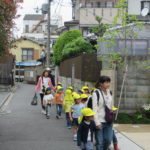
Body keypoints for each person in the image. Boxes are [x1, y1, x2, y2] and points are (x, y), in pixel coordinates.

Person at [92, 76, 113, 150]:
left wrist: (113, 111)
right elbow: (94, 109)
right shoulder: (96, 93)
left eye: (109, 82)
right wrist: (97, 123)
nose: (108, 84)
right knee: (99, 142)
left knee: (108, 140)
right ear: (101, 83)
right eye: (106, 82)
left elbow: (110, 106)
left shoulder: (110, 92)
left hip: (108, 121)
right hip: (99, 121)